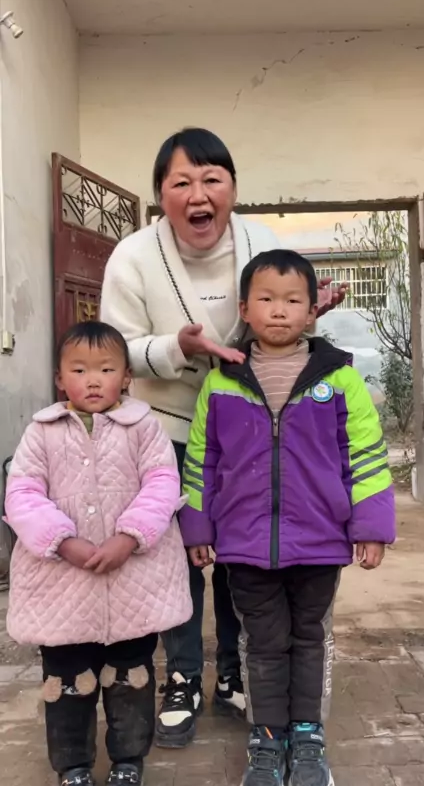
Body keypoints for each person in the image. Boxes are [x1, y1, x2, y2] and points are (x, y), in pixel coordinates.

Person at [100, 127, 348, 748]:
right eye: (181, 182)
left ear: (233, 188)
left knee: (243, 554)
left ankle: (236, 672)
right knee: (178, 558)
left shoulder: (262, 243)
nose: (198, 194)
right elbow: (114, 348)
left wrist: (303, 317)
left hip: (250, 430)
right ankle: (183, 675)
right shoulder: (132, 256)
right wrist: (175, 346)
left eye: (212, 179)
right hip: (165, 429)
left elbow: (278, 311)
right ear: (160, 194)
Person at [180, 249, 396, 786]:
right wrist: (198, 525)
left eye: (293, 300)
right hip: (245, 546)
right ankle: (266, 738)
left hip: (320, 544)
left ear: (312, 310)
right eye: (266, 299)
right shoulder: (221, 383)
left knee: (310, 639)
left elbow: (366, 455)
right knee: (263, 644)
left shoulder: (340, 379)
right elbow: (202, 460)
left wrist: (371, 524)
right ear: (244, 310)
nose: (279, 311)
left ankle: (307, 738)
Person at [5, 321, 192, 786]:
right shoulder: (41, 432)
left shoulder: (144, 428)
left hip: (132, 582)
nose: (93, 380)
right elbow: (22, 493)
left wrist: (129, 536)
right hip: (62, 585)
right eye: (79, 370)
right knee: (66, 679)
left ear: (126, 377)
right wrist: (61, 540)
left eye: (106, 370)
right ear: (59, 378)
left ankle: (129, 761)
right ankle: (72, 767)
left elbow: (162, 483)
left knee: (131, 674)